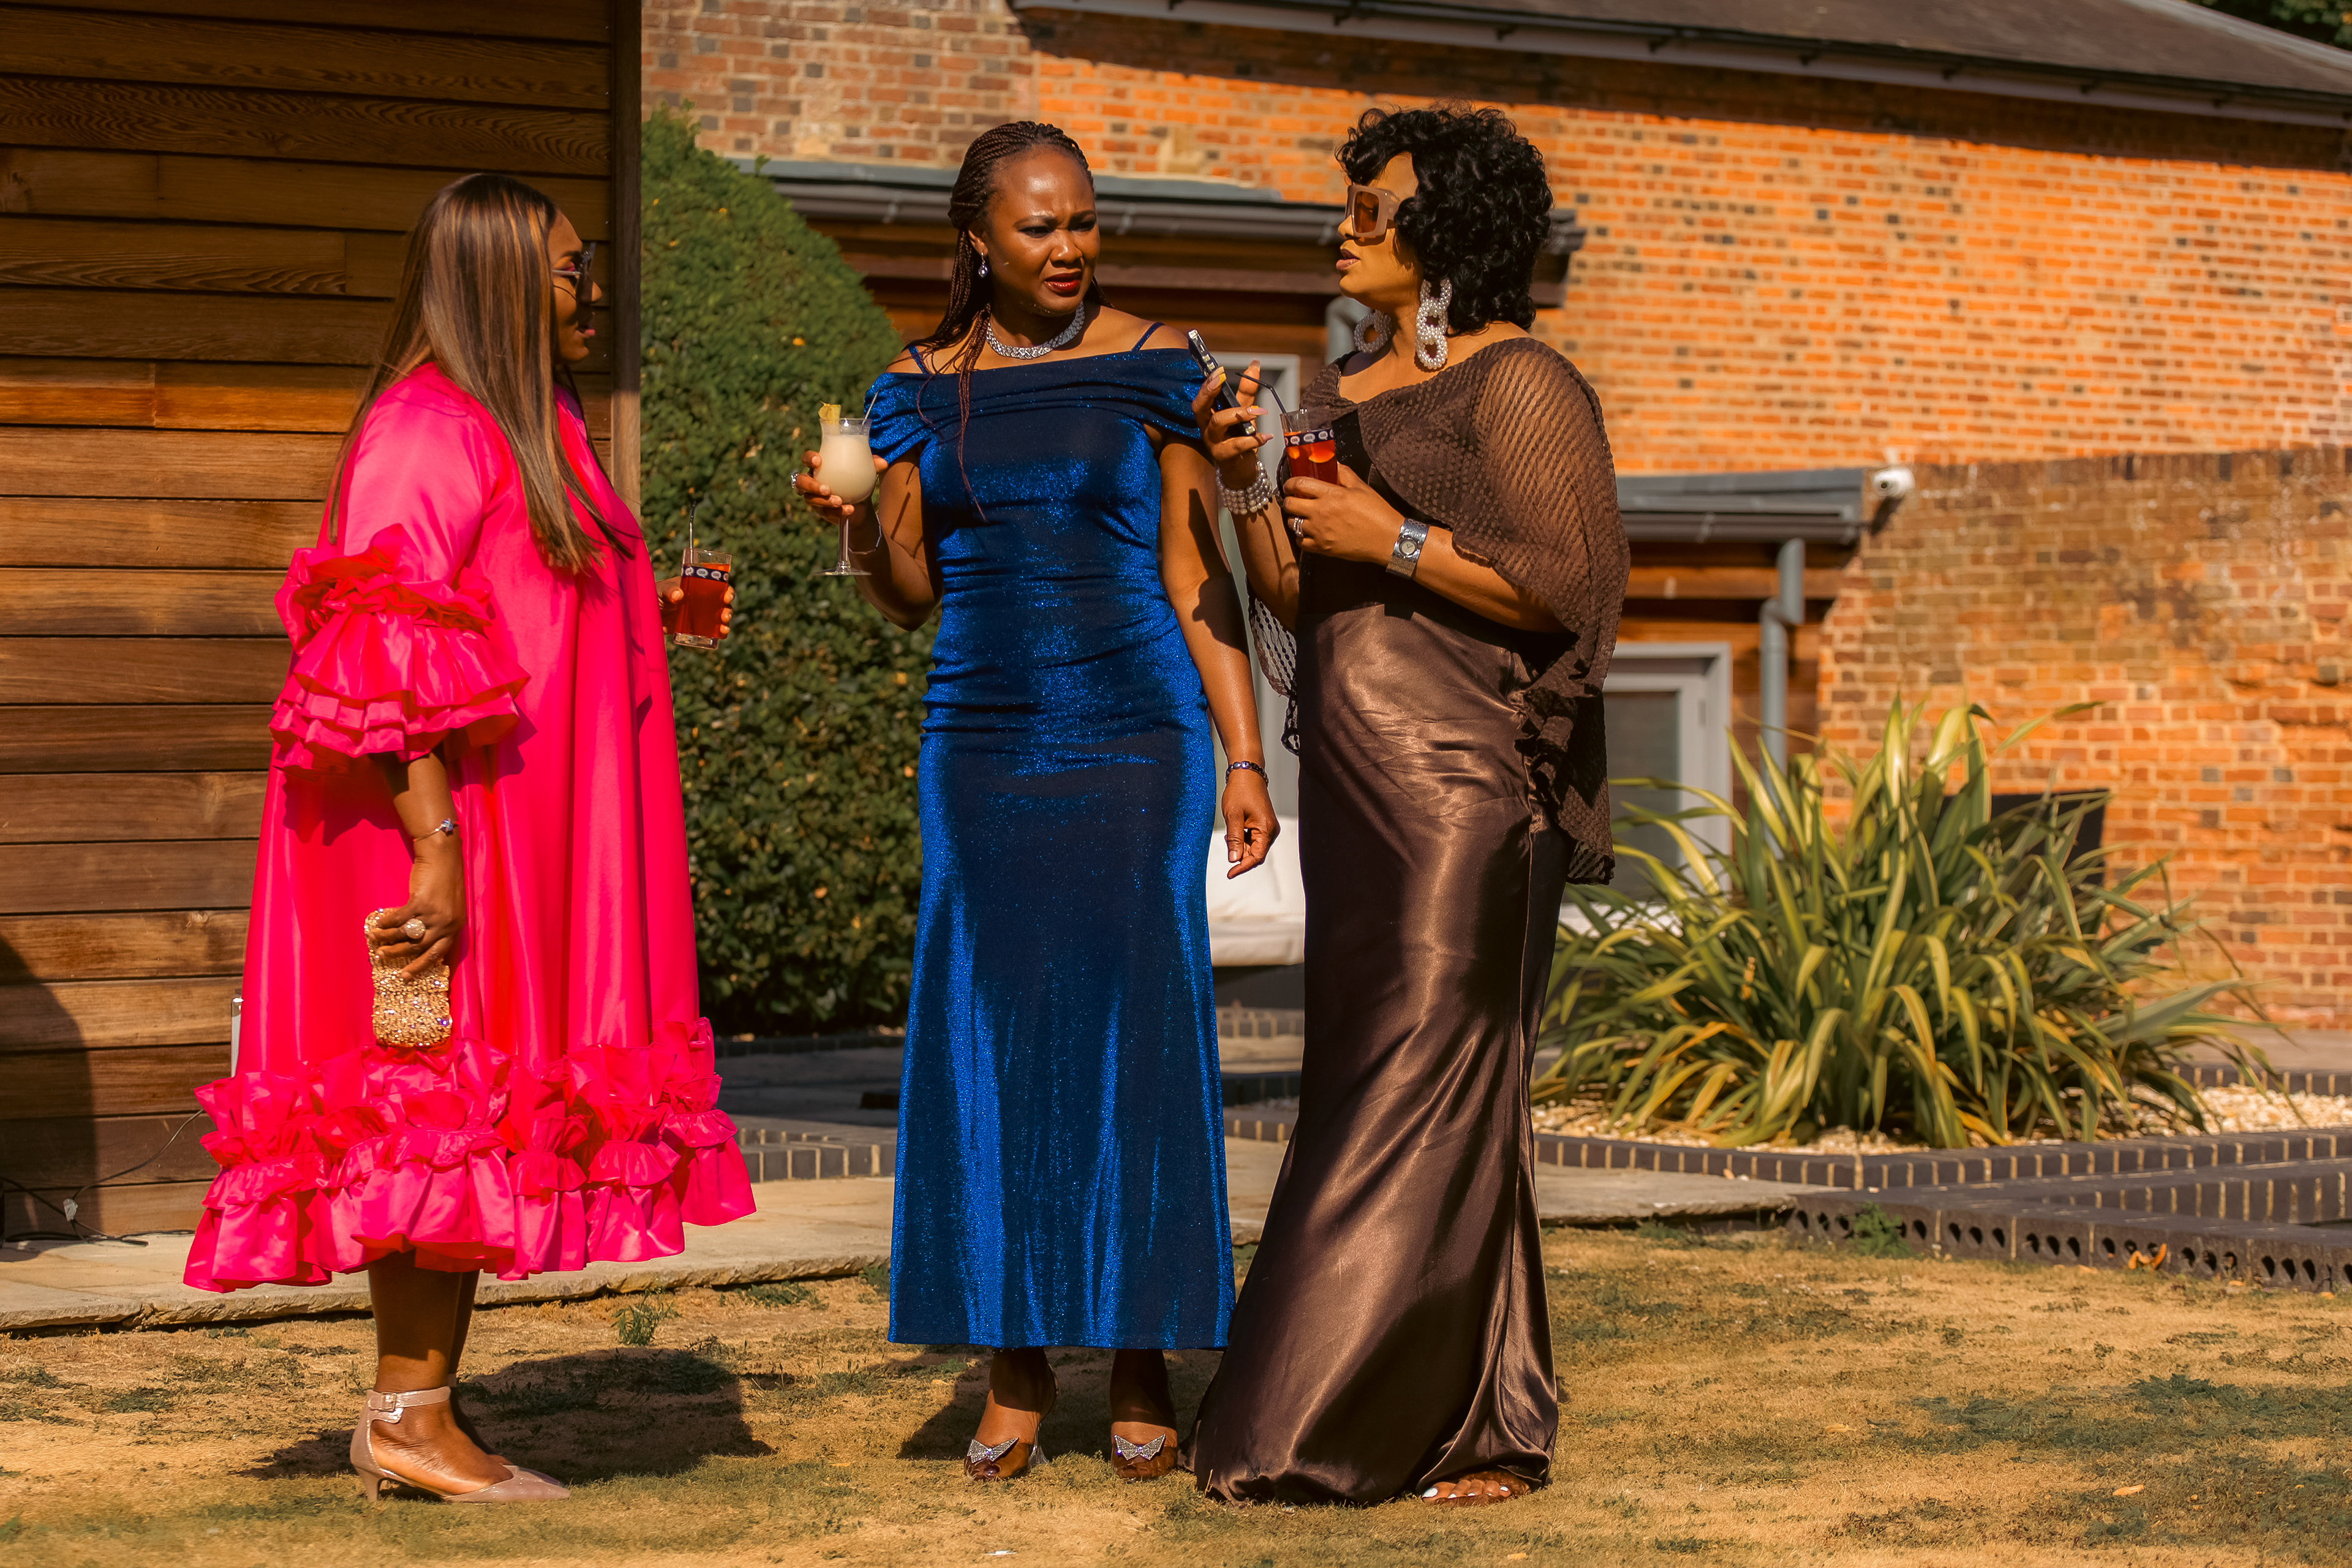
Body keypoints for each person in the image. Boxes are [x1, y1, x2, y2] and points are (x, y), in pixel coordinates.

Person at [183, 173, 752, 1502]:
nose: (588, 286)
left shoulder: (529, 423)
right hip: (437, 833)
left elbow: (505, 606)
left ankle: (418, 1409)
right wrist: (435, 849)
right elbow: (375, 639)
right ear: (499, 275)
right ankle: (407, 1416)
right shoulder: (424, 428)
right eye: (567, 266)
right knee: (423, 1110)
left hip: (526, 825)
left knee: (471, 1121)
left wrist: (636, 610)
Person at [795, 121, 1276, 1485]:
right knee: (987, 1034)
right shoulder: (914, 385)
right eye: (1039, 227)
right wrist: (853, 522)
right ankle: (1011, 1361)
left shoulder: (1157, 362)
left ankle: (1139, 1352)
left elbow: (1202, 577)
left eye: (1083, 222)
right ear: (979, 240)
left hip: (1138, 734)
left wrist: (1243, 756)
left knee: (1135, 1031)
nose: (1069, 248)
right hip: (981, 738)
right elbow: (908, 593)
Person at [1185, 105, 1629, 1506]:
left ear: (1445, 238)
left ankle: (1322, 1416)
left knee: (1425, 1082)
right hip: (1365, 788)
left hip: (1469, 785)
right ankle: (1485, 1410)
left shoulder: (1524, 383)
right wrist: (1249, 467)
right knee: (1394, 1084)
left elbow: (1573, 582)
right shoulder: (1346, 391)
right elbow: (1295, 593)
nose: (1346, 228)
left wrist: (1404, 538)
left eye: (1372, 210)